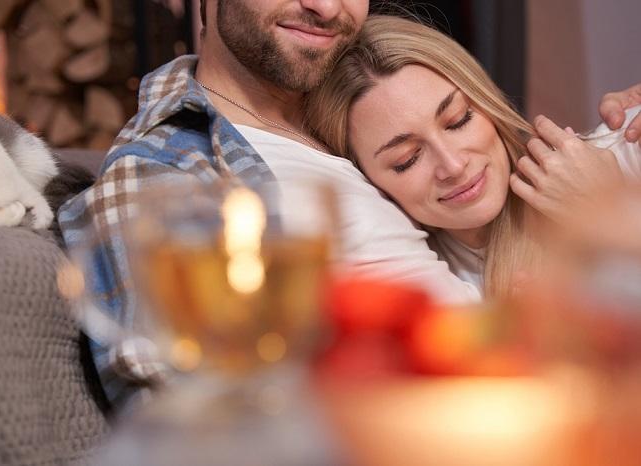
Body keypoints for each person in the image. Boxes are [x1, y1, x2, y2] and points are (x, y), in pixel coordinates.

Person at [58, 1, 640, 413]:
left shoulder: (350, 99)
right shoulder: (161, 168)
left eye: (459, 119)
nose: (325, 5)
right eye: (404, 161)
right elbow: (175, 414)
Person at [304, 14, 641, 299]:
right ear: (368, 181)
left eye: (458, 120)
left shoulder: (627, 146)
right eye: (407, 159)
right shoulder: (426, 289)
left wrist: (609, 211)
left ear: (486, 103)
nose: (452, 165)